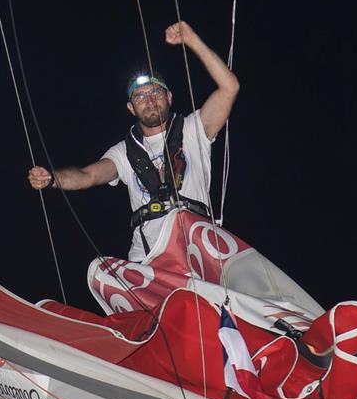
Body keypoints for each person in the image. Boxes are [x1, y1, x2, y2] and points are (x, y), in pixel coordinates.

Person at [28, 21, 239, 262]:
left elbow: (229, 87)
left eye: (155, 92)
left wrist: (192, 40)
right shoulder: (123, 151)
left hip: (199, 252)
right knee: (102, 268)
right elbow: (88, 176)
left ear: (169, 97)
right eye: (140, 96)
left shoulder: (194, 129)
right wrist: (52, 179)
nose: (149, 100)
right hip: (148, 262)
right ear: (131, 107)